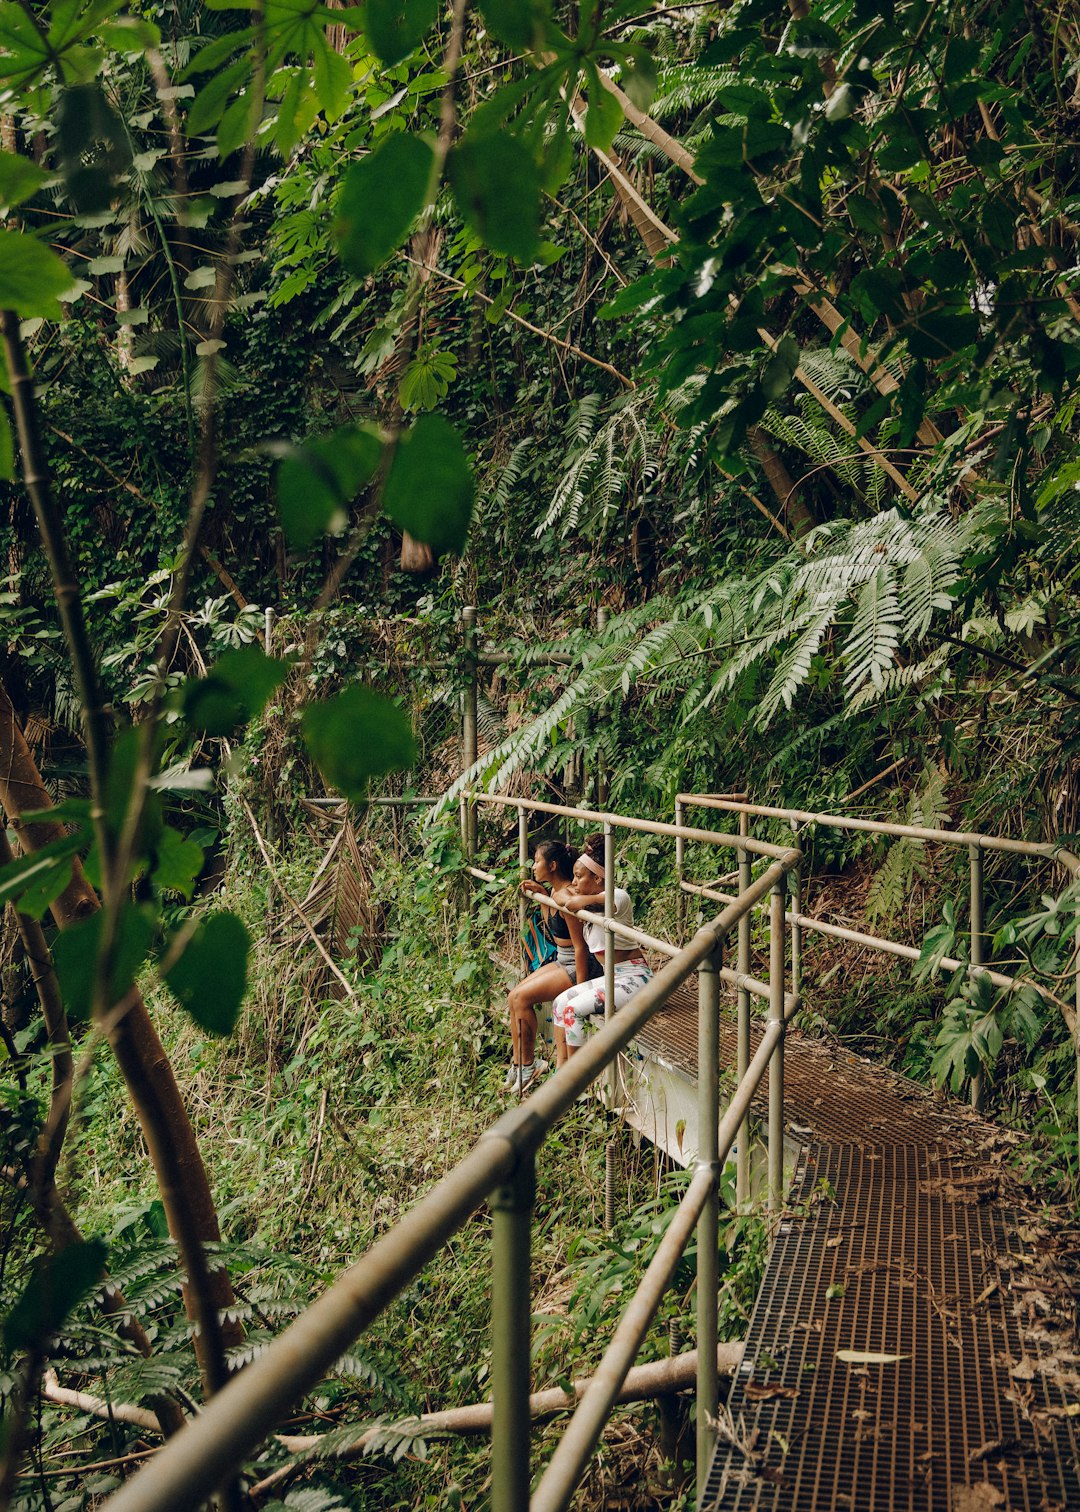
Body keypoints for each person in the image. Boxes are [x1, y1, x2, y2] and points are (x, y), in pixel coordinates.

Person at [504, 839, 595, 1095]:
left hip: (577, 965)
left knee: (521, 998)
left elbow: (580, 947)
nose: (533, 866)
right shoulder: (556, 893)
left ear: (552, 865)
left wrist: (580, 988)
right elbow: (554, 928)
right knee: (514, 997)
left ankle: (528, 1067)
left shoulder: (567, 897)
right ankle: (519, 1064)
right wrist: (544, 896)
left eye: (537, 861)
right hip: (562, 958)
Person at [552, 833, 653, 1059]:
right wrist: (575, 899)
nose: (574, 883)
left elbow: (614, 899)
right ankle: (561, 1071)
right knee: (560, 1003)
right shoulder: (588, 903)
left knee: (572, 1010)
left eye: (579, 877)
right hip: (613, 977)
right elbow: (561, 896)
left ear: (598, 879)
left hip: (636, 978)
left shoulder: (618, 897)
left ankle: (574, 1082)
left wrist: (580, 901)